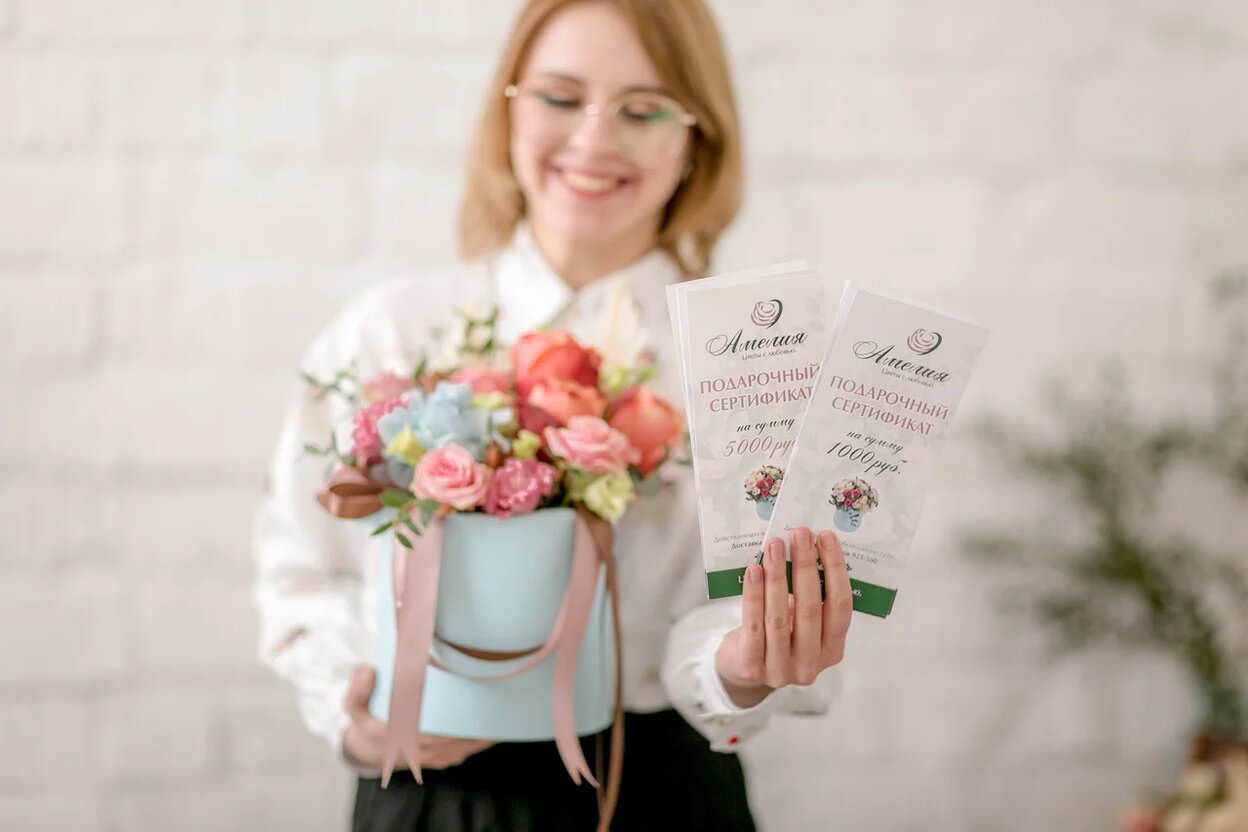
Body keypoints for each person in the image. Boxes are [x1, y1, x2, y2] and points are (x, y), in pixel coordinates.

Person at [251, 0, 854, 829]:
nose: (594, 139)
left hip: (658, 796)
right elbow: (301, 566)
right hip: (431, 793)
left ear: (697, 141)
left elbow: (719, 619)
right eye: (561, 97)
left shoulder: (748, 364)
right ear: (508, 110)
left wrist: (743, 666)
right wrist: (352, 710)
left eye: (644, 109)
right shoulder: (390, 331)